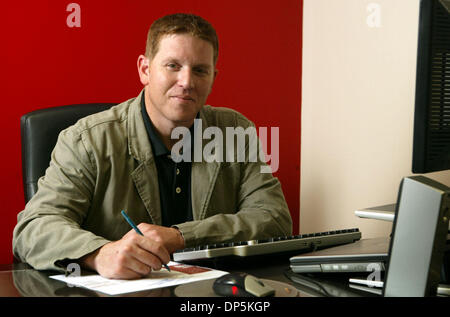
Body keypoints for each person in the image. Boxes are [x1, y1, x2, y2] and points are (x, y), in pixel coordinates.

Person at [12, 13, 292, 279]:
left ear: (213, 79)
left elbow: (275, 220)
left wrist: (181, 236)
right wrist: (98, 254)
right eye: (173, 66)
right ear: (145, 69)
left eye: (200, 70)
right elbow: (33, 228)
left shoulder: (235, 131)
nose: (187, 82)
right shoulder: (86, 140)